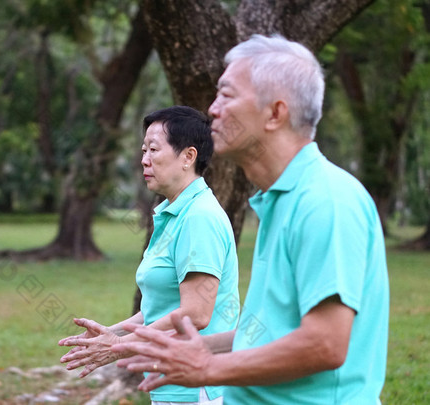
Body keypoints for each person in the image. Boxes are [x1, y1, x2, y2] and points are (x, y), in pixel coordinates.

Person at [112, 34, 390, 404]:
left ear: (275, 113)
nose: (213, 109)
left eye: (227, 95)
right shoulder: (280, 200)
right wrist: (171, 350)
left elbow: (325, 344)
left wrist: (207, 370)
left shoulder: (325, 200)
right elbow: (268, 332)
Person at [58, 106, 240, 405]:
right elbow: (163, 306)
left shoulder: (199, 217)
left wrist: (119, 347)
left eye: (154, 149)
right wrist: (112, 333)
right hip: (173, 384)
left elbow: (196, 313)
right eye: (143, 149)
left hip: (200, 390)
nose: (144, 159)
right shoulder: (175, 214)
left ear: (188, 157)